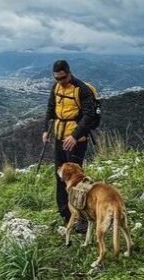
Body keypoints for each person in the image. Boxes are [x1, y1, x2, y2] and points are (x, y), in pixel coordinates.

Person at [42, 59, 97, 232]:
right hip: (59, 136)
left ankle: (81, 218)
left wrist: (75, 136)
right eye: (57, 78)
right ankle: (65, 214)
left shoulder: (82, 89)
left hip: (76, 140)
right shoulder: (56, 87)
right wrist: (46, 130)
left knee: (77, 179)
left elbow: (89, 116)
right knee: (60, 177)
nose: (60, 81)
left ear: (69, 72)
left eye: (63, 77)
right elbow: (50, 109)